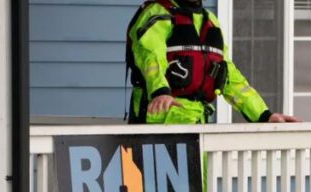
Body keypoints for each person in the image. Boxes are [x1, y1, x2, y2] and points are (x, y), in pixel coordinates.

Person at [126, 0, 299, 125]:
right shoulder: (157, 13)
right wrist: (160, 91)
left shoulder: (210, 22)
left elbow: (229, 76)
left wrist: (264, 115)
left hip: (197, 124)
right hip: (159, 120)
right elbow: (150, 55)